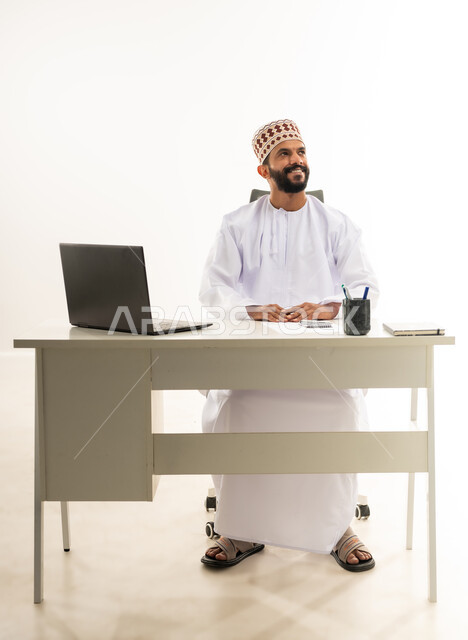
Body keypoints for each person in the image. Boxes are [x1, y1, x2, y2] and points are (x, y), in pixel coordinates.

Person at [199, 119, 379, 571]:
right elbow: (213, 289)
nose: (297, 160)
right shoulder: (236, 224)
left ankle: (337, 528)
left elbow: (365, 288)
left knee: (339, 410)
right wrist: (249, 309)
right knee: (238, 408)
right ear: (264, 171)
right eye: (284, 154)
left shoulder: (336, 223)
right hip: (254, 362)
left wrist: (330, 308)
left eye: (301, 152)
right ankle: (238, 530)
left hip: (321, 364)